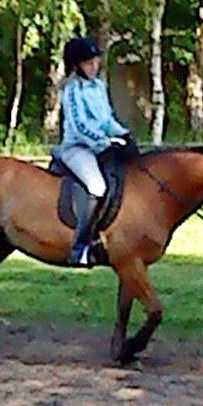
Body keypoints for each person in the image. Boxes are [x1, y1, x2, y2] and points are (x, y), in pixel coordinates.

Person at [55, 36, 136, 266]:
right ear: (77, 66)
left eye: (96, 61)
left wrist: (124, 134)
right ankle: (80, 247)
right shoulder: (72, 90)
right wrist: (105, 143)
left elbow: (107, 120)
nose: (94, 66)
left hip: (101, 145)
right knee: (97, 186)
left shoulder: (99, 87)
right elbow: (79, 126)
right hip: (77, 148)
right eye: (88, 63)